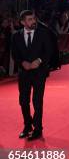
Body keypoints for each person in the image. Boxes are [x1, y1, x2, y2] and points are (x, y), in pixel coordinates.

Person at [11, 10, 53, 141]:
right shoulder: (16, 36)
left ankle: (38, 129)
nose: (33, 21)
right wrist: (22, 62)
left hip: (39, 72)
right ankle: (27, 125)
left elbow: (49, 51)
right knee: (23, 101)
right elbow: (14, 54)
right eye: (29, 19)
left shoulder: (43, 33)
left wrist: (39, 61)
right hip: (24, 73)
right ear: (22, 22)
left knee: (37, 101)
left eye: (33, 18)